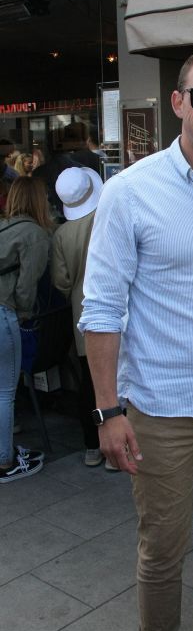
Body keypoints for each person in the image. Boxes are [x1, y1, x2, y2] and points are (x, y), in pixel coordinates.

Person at [79, 45, 193, 631]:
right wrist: (109, 410)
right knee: (162, 548)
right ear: (178, 102)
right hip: (161, 405)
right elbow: (101, 309)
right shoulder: (131, 191)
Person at [51, 167, 105, 468]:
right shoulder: (107, 216)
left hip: (83, 314)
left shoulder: (61, 234)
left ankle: (92, 446)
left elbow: (61, 281)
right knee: (123, 379)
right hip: (121, 310)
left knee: (90, 381)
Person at [0, 177, 52, 483]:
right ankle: (5, 461)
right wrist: (24, 313)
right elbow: (26, 286)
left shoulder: (4, 227)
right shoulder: (34, 234)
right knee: (5, 393)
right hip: (4, 313)